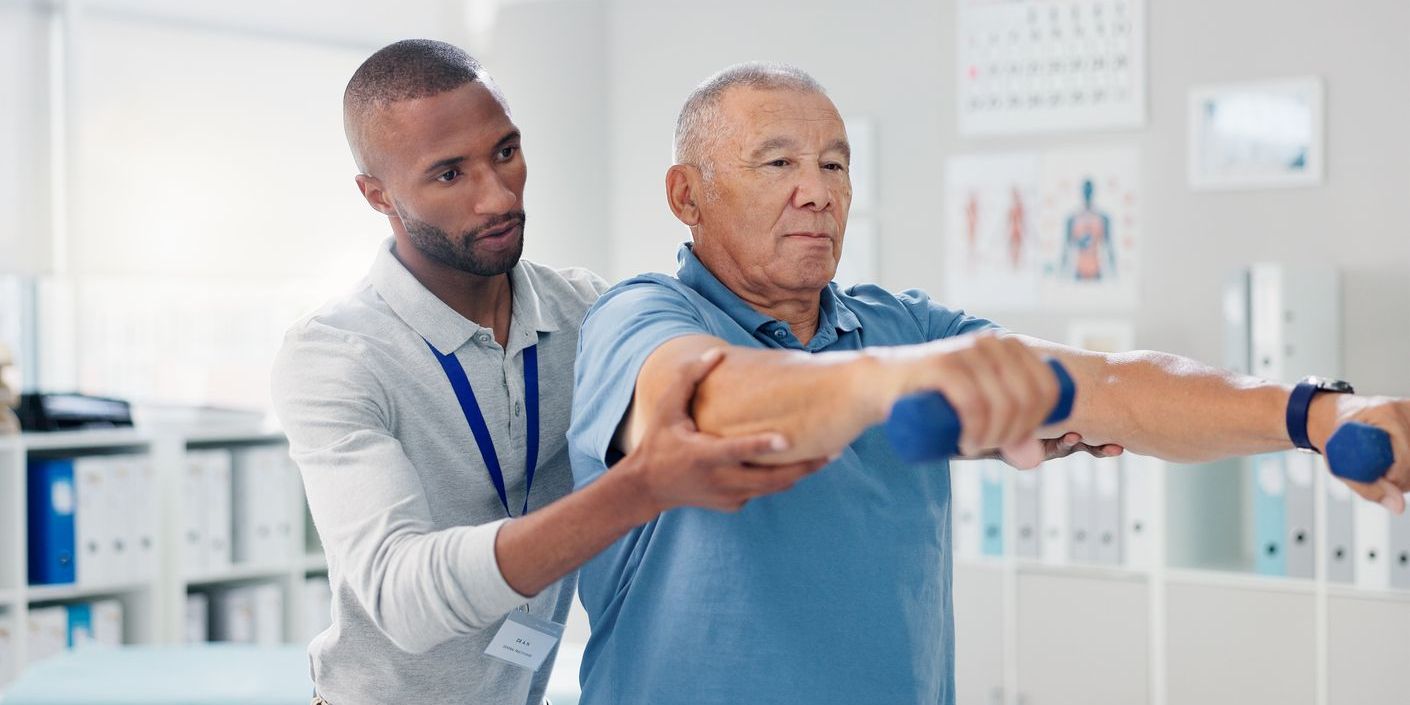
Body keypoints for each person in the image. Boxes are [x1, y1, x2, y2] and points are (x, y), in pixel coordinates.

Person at [566, 62, 1410, 704]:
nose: (816, 192)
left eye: (834, 163)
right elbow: (706, 406)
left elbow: (1112, 384)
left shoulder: (901, 325)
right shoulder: (642, 316)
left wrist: (1318, 412)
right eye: (776, 162)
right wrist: (912, 380)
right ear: (687, 196)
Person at [270, 41, 832, 705]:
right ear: (377, 194)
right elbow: (402, 597)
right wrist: (640, 487)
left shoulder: (585, 308)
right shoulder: (334, 354)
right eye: (449, 174)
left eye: (505, 151)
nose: (497, 197)